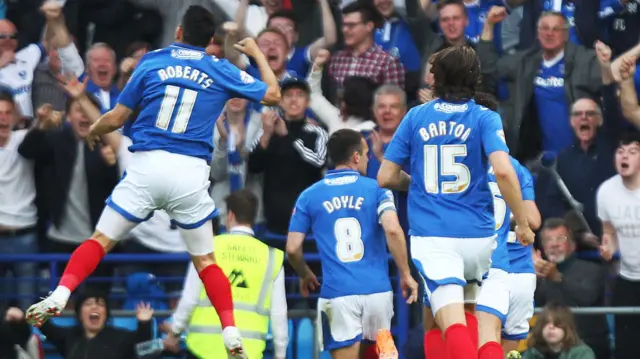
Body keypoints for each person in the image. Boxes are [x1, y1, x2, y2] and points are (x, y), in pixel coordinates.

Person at [25, 5, 281, 357]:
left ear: (178, 32)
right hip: (190, 172)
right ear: (209, 41)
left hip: (148, 165)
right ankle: (231, 329)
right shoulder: (220, 68)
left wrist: (95, 130)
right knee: (206, 262)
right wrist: (256, 56)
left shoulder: (154, 60)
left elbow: (117, 116)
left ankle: (60, 294)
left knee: (100, 240)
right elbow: (273, 96)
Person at [377, 46, 535, 359]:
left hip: (435, 237)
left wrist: (417, 186)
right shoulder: (485, 117)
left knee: (447, 324)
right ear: (474, 78)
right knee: (479, 323)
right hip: (479, 238)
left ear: (436, 77)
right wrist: (524, 223)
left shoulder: (417, 116)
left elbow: (385, 177)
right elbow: (503, 170)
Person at [287, 129, 418, 359]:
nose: (368, 158)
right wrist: (406, 273)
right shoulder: (377, 189)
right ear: (356, 157)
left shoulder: (309, 195)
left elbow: (292, 247)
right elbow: (392, 229)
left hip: (338, 296)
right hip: (378, 293)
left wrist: (305, 273)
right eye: (366, 154)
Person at [166, 190, 288, 359]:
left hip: (203, 349)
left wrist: (174, 332)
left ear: (230, 215)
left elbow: (189, 299)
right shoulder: (272, 257)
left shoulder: (207, 248)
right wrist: (280, 354)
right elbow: (279, 315)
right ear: (253, 218)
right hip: (244, 353)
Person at [522, 303, 596, 359]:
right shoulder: (533, 352)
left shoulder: (582, 353)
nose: (551, 327)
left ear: (567, 328)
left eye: (557, 323)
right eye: (546, 323)